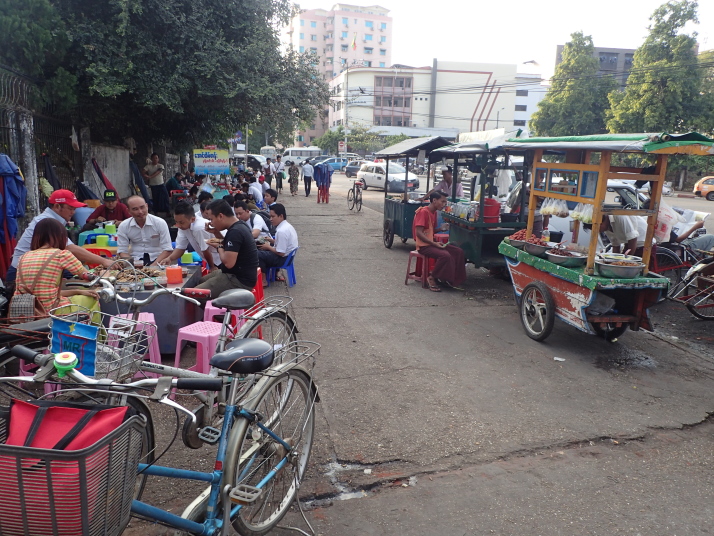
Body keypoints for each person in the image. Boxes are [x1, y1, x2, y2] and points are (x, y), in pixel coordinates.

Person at [7, 189, 115, 283]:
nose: (73, 212)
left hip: (36, 270)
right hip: (23, 274)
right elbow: (71, 249)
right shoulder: (47, 222)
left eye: (74, 209)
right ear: (57, 206)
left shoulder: (53, 220)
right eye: (71, 208)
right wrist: (103, 261)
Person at [12, 218, 98, 316]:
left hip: (26, 312)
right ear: (60, 236)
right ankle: (93, 331)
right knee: (93, 298)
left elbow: (43, 293)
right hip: (52, 310)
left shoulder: (23, 257)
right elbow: (86, 275)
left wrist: (77, 291)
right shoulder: (61, 254)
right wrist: (98, 277)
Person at [196, 199, 259, 296]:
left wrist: (219, 246)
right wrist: (216, 232)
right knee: (201, 280)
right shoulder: (239, 225)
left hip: (239, 280)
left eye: (211, 219)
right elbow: (229, 247)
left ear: (221, 216)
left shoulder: (236, 231)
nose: (211, 223)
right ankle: (209, 308)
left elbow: (228, 263)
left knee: (195, 294)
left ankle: (212, 309)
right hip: (236, 274)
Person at [413, 191, 466, 291]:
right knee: (445, 255)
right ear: (434, 200)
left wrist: (441, 229)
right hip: (423, 246)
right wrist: (434, 244)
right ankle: (432, 277)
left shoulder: (434, 213)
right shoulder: (423, 212)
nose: (444, 204)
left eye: (445, 202)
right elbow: (419, 233)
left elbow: (429, 231)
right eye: (442, 202)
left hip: (431, 244)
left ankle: (453, 279)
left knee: (458, 252)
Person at [160, 201, 221, 270]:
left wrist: (212, 267)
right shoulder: (183, 227)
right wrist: (169, 258)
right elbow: (180, 248)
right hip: (212, 259)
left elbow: (205, 250)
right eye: (176, 222)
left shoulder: (199, 227)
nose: (178, 225)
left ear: (192, 219)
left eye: (181, 222)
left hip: (220, 258)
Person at [116, 196, 173, 266]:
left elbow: (168, 249)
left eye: (142, 207)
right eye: (135, 209)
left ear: (147, 206)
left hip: (158, 259)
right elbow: (122, 250)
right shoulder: (124, 226)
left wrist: (153, 266)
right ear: (128, 211)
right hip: (135, 260)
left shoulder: (159, 223)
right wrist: (131, 265)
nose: (140, 212)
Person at [257, 203, 298, 287]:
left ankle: (263, 280)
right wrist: (271, 241)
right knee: (264, 249)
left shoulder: (281, 231)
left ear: (281, 216)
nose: (271, 219)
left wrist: (268, 246)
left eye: (273, 216)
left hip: (283, 259)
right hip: (289, 257)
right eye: (270, 217)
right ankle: (272, 274)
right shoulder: (287, 226)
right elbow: (283, 243)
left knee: (257, 254)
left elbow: (281, 253)